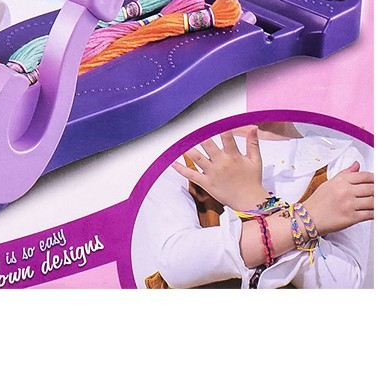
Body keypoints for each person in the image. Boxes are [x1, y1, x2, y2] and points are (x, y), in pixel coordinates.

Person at [138, 123, 374, 289]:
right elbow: (177, 264)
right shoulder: (185, 154)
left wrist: (254, 203)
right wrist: (304, 219)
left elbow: (345, 284)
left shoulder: (337, 158)